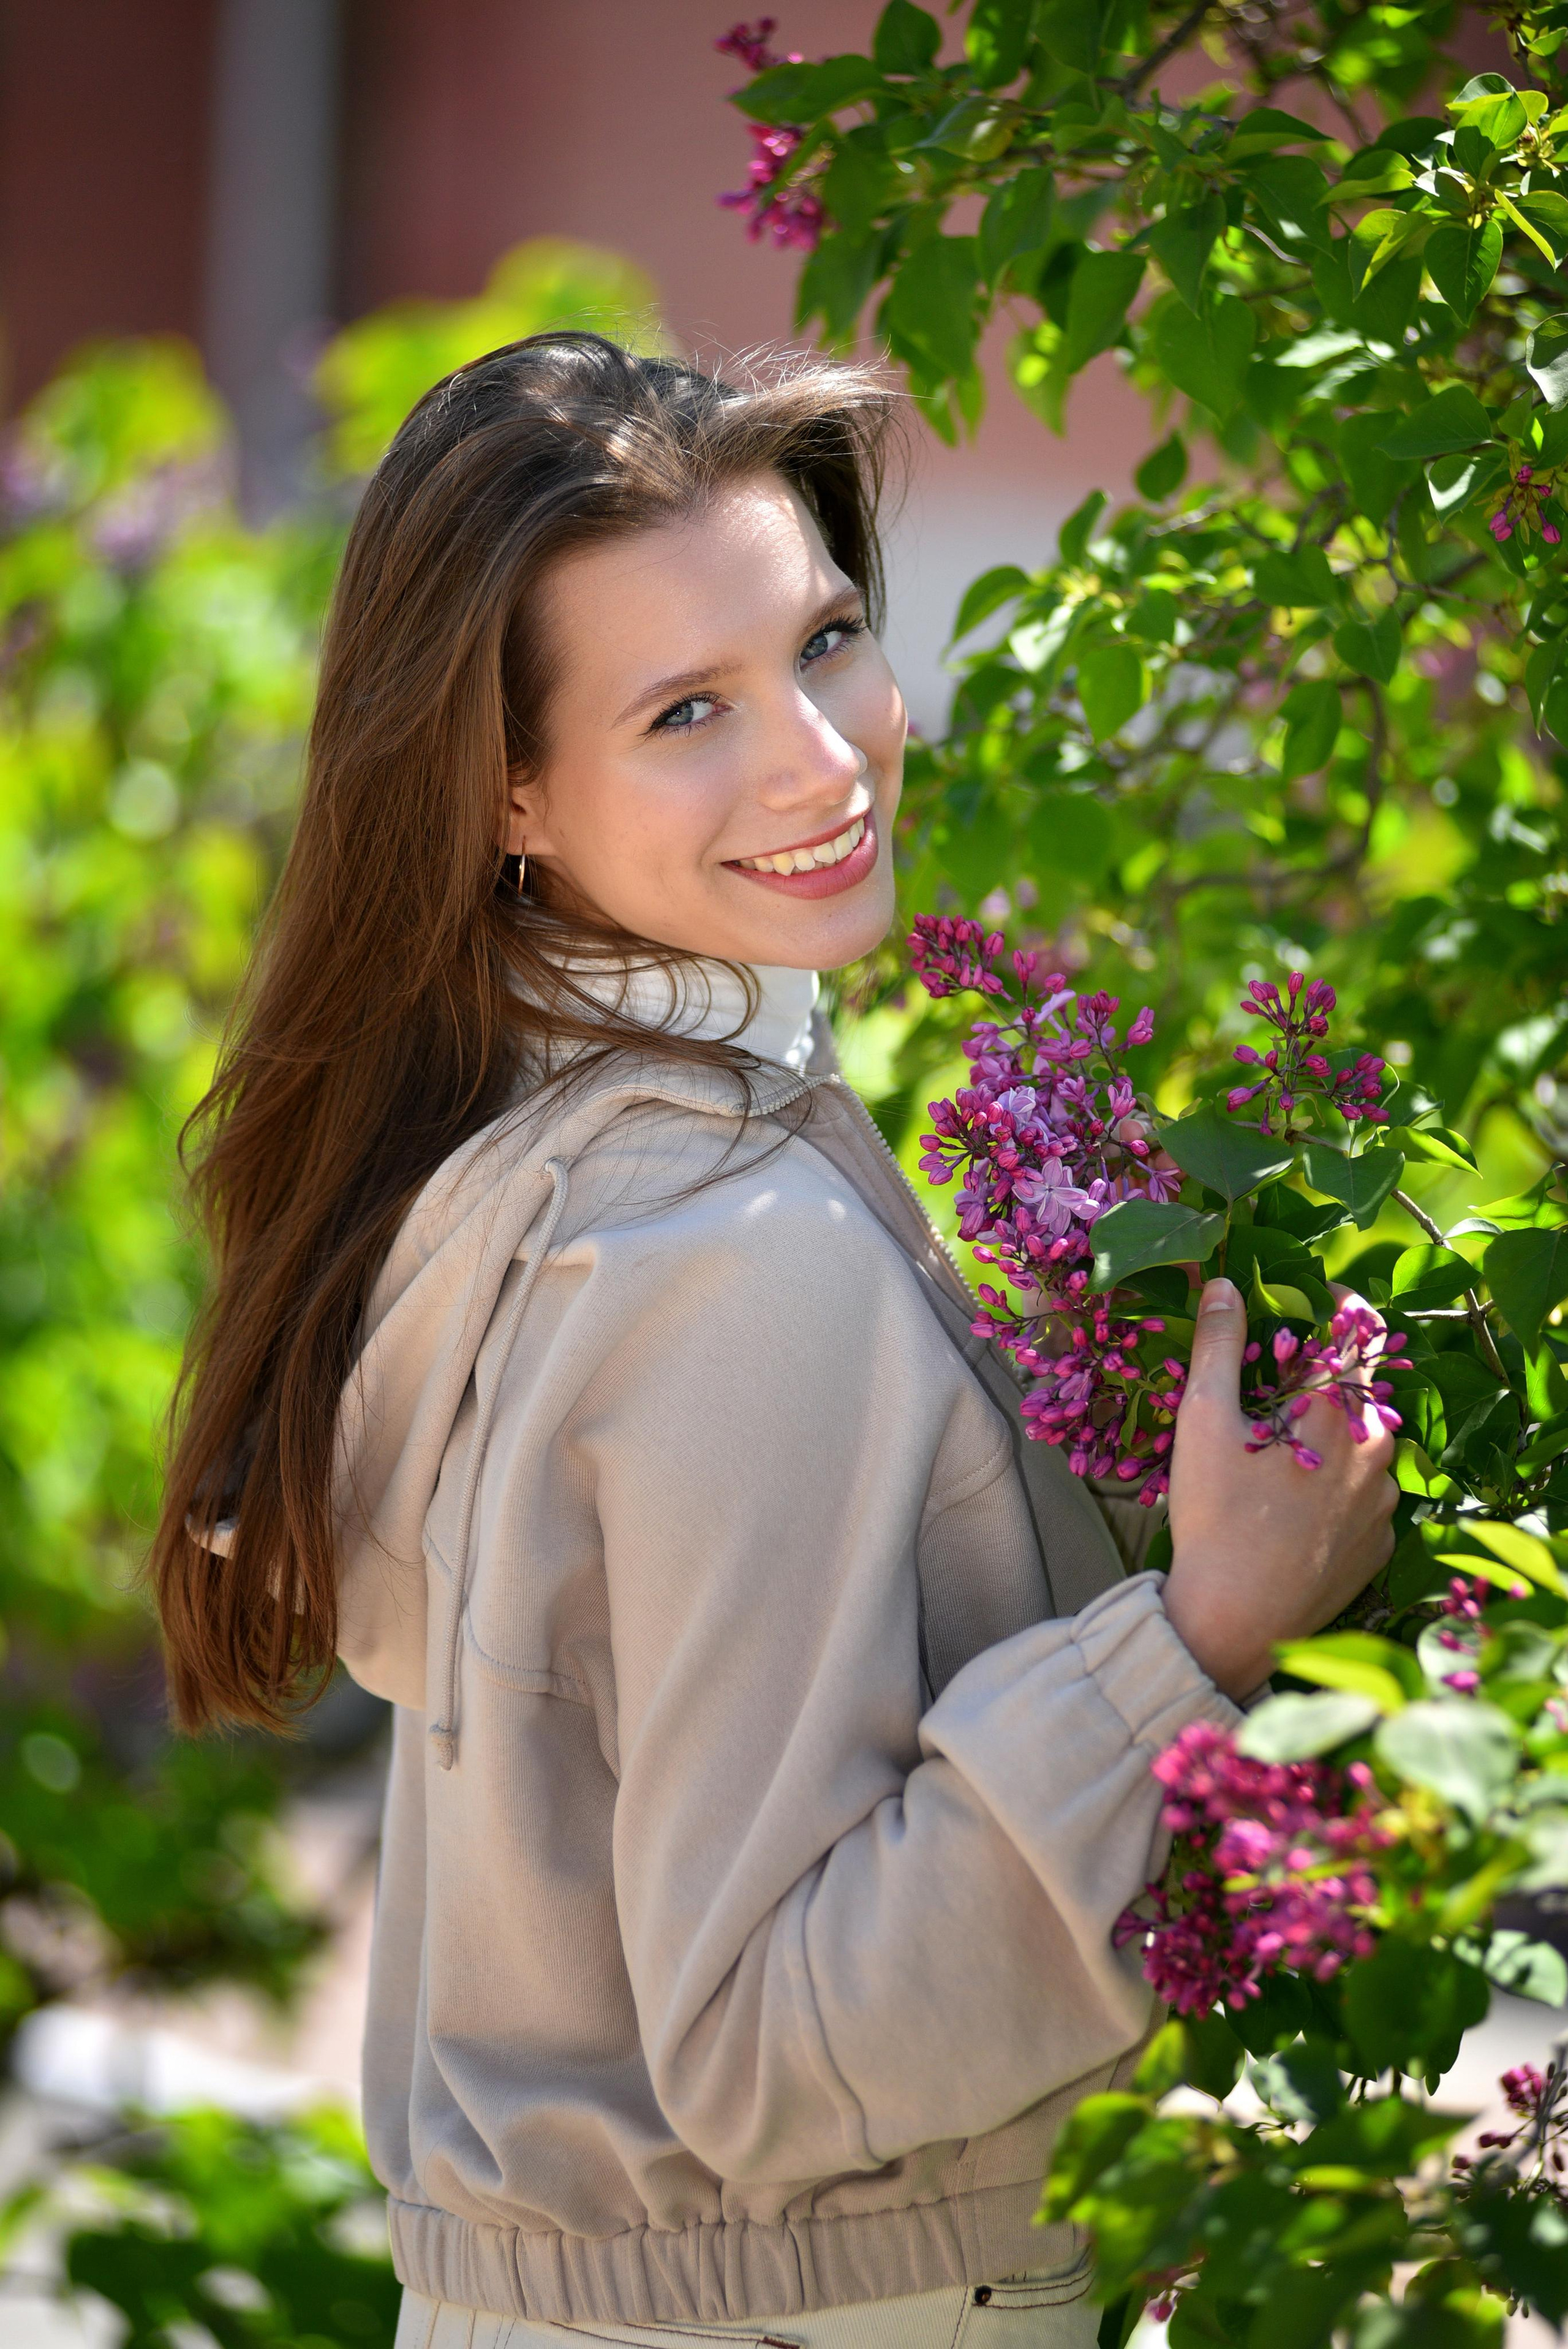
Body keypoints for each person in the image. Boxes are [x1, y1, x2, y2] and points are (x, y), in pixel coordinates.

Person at [151, 335, 1398, 2349]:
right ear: (512, 796)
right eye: (687, 711)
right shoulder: (737, 1253)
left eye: (825, 642)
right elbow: (771, 2054)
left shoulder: (506, 1178)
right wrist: (1201, 1636)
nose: (823, 759)